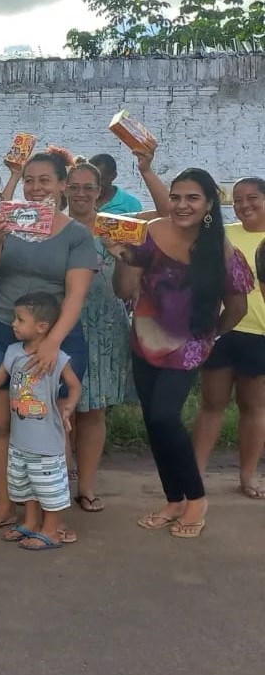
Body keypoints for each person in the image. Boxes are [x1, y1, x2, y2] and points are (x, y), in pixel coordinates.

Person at [110, 168, 253, 538]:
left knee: (164, 417)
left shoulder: (222, 251)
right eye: (175, 197)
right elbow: (122, 291)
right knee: (154, 424)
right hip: (143, 343)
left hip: (187, 350)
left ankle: (197, 498)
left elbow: (236, 309)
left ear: (208, 205)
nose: (181, 205)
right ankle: (174, 500)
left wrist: (208, 339)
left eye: (192, 198)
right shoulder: (150, 232)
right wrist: (122, 258)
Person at [0, 148, 94, 535]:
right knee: (0, 422)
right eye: (30, 180)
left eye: (45, 180)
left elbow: (75, 294)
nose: (36, 188)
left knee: (52, 423)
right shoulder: (5, 223)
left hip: (56, 336)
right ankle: (6, 504)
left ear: (60, 185)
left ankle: (51, 514)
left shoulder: (76, 234)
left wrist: (52, 342)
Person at [0, 292, 82, 550]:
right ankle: (30, 523)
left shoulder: (57, 357)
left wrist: (69, 405)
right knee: (26, 486)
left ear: (41, 327)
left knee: (48, 487)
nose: (13, 324)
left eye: (19, 319)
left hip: (47, 443)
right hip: (20, 441)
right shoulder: (13, 352)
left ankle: (51, 531)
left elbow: (74, 385)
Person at [59, 162, 135, 513]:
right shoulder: (52, 226)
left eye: (88, 187)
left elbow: (125, 291)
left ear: (100, 191)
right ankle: (58, 483)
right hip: (60, 326)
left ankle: (85, 487)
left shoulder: (115, 229)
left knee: (94, 410)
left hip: (105, 327)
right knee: (61, 409)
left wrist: (122, 257)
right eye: (74, 186)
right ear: (63, 188)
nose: (80, 193)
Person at [192, 177, 265, 497]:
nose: (244, 205)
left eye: (252, 198)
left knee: (254, 407)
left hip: (260, 335)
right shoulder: (224, 235)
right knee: (212, 404)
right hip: (222, 330)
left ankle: (248, 476)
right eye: (237, 200)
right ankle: (194, 476)